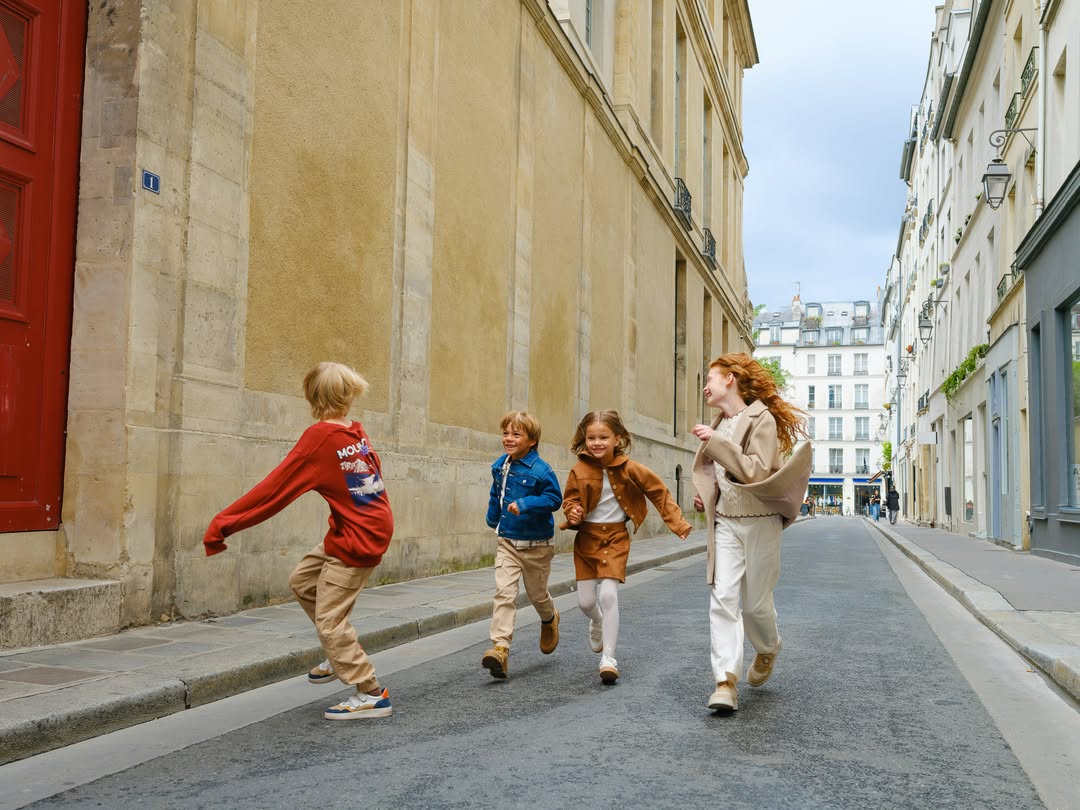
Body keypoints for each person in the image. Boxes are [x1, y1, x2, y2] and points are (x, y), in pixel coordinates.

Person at [203, 362, 394, 721]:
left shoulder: (319, 438)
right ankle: (337, 651)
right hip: (357, 529)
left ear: (310, 396)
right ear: (348, 397)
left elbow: (273, 490)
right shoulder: (353, 430)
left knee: (330, 621)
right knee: (303, 581)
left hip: (357, 538)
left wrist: (223, 525)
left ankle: (370, 692)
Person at [690, 353, 810, 713]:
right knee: (723, 597)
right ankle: (726, 682)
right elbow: (722, 477)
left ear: (729, 378)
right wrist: (706, 497)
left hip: (761, 520)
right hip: (726, 521)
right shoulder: (719, 423)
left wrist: (716, 442)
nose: (705, 387)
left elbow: (755, 472)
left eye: (709, 379)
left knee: (756, 604)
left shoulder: (762, 419)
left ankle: (768, 647)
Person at [562, 410, 692, 684]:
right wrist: (572, 511)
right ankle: (596, 620)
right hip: (586, 539)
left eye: (603, 437)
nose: (597, 443)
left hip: (616, 538)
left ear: (617, 439)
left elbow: (658, 491)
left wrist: (678, 523)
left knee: (608, 595)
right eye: (591, 438)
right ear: (585, 440)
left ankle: (608, 657)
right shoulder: (578, 470)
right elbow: (570, 500)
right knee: (586, 602)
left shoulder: (631, 468)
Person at [480, 411, 563, 679]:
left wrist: (526, 504)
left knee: (537, 595)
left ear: (532, 440)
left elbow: (554, 499)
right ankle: (500, 649)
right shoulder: (500, 466)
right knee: (504, 593)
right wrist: (493, 518)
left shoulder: (542, 470)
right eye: (506, 433)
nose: (508, 438)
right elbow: (498, 493)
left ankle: (550, 618)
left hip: (537, 546)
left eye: (516, 434)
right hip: (508, 542)